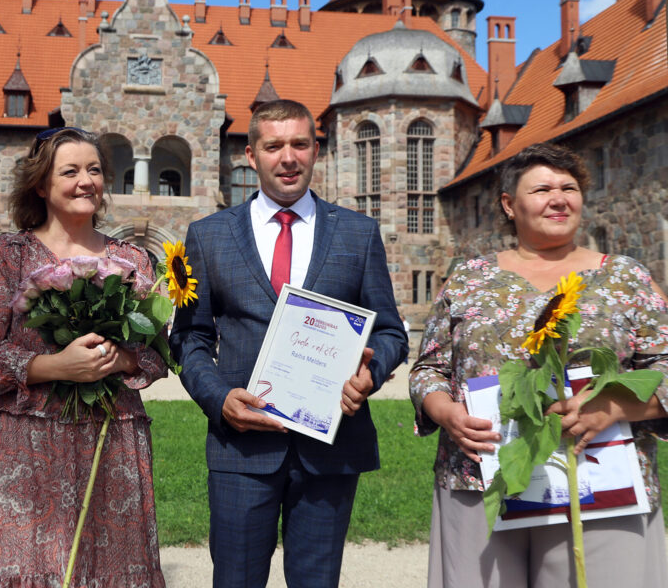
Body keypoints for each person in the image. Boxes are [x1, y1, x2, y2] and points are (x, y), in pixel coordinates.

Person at [169, 99, 408, 587]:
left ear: (316, 150)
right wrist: (218, 399)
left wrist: (371, 372)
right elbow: (189, 338)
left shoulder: (357, 234)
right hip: (242, 446)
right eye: (273, 145)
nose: (288, 157)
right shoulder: (209, 236)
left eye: (300, 144)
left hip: (331, 447)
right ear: (251, 155)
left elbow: (390, 331)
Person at [409, 142, 668, 588]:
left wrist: (613, 407)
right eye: (542, 188)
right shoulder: (470, 278)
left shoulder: (626, 276)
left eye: (569, 187)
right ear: (509, 204)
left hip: (600, 480)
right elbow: (429, 368)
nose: (559, 198)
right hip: (482, 476)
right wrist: (443, 411)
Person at [0, 127, 168, 587]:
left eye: (94, 170)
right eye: (70, 171)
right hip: (23, 446)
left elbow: (156, 357)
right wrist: (54, 366)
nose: (85, 181)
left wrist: (124, 361)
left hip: (111, 442)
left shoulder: (133, 262)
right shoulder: (7, 257)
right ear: (41, 184)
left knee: (108, 570)